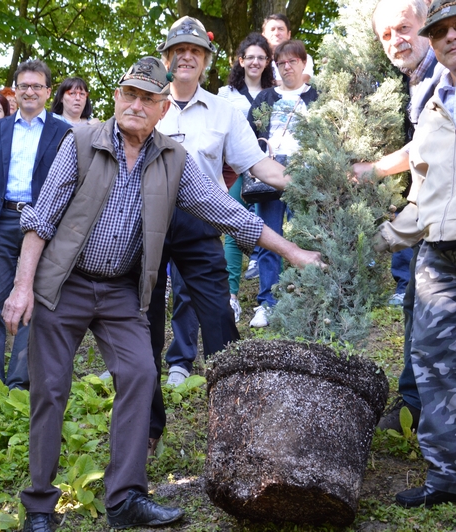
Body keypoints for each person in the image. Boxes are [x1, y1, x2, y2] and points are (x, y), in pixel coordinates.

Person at [3, 56, 322, 532]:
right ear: (116, 98)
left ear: (161, 110)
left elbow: (226, 212)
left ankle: (126, 497)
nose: (136, 104)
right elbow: (40, 220)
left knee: (140, 374)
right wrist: (22, 287)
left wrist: (292, 250)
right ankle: (39, 507)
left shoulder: (174, 159)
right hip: (62, 285)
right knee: (49, 389)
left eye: (148, 98)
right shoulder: (82, 143)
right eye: (129, 94)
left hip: (120, 292)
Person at [147, 16, 291, 454]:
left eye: (195, 51)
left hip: (200, 225)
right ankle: (148, 428)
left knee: (220, 322)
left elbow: (258, 166)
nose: (187, 56)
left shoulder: (225, 110)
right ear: (167, 58)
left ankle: (235, 422)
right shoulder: (147, 102)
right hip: (146, 225)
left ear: (206, 61)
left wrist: (307, 180)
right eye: (179, 50)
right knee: (144, 327)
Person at [383, 0, 456, 508]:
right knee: (433, 364)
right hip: (436, 252)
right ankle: (451, 476)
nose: (452, 37)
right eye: (441, 31)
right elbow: (424, 195)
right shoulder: (435, 101)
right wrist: (373, 240)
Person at [351, 0, 444, 432]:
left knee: (435, 323)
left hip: (450, 225)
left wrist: (371, 171)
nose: (395, 41)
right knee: (415, 306)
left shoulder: (447, 75)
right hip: (429, 220)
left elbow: (426, 150)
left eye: (403, 28)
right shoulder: (415, 79)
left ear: (426, 23)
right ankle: (413, 406)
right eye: (385, 35)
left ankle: (434, 423)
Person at [0, 60, 70, 390]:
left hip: (41, 225)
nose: (30, 91)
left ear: (47, 92)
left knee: (31, 304)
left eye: (37, 86)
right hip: (0, 221)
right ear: (15, 90)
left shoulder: (62, 130)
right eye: (23, 86)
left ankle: (17, 384)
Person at [247, 40, 319, 328]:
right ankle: (268, 302)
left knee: (307, 236)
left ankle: (309, 298)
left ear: (303, 63)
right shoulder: (265, 97)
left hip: (307, 169)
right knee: (269, 237)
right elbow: (249, 136)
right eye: (281, 63)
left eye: (293, 61)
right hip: (270, 169)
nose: (287, 67)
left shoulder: (317, 96)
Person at [218, 33, 276, 322]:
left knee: (267, 228)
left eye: (261, 57)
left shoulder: (276, 92)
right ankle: (230, 295)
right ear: (240, 61)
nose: (255, 62)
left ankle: (269, 299)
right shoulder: (224, 95)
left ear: (268, 61)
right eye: (249, 57)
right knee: (233, 230)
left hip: (268, 169)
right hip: (236, 170)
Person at [262, 14, 315, 85]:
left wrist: (271, 83)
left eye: (281, 29)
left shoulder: (303, 57)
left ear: (289, 34)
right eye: (272, 29)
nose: (276, 33)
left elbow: (304, 79)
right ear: (264, 36)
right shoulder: (257, 60)